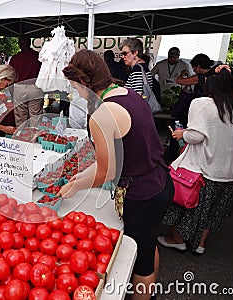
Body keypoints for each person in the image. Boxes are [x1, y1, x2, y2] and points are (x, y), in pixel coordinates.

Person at [58, 49, 174, 300]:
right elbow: (115, 158)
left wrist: (77, 186)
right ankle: (149, 290)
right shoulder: (127, 93)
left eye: (74, 86)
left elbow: (107, 171)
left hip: (142, 194)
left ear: (83, 82)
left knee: (140, 259)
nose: (74, 93)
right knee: (147, 241)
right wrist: (77, 179)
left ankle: (143, 294)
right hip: (161, 181)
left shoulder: (101, 115)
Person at [158, 65, 233, 255]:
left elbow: (195, 136)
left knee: (187, 207)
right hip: (227, 174)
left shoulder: (203, 103)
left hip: (204, 170)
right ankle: (200, 244)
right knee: (212, 212)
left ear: (208, 82)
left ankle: (177, 240)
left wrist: (182, 133)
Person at [9, 35, 43, 127]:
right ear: (30, 42)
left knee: (20, 116)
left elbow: (11, 76)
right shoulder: (38, 56)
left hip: (20, 88)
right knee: (35, 116)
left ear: (20, 44)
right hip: (35, 87)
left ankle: (21, 137)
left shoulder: (15, 58)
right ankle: (35, 137)